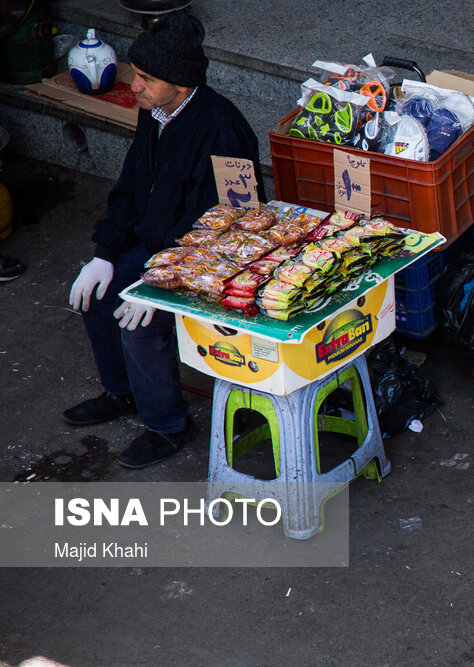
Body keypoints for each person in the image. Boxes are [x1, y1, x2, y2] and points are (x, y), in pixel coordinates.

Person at [63, 9, 262, 469]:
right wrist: (105, 253)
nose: (134, 86)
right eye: (137, 75)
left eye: (146, 79)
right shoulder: (156, 112)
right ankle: (122, 392)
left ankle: (168, 424)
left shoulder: (224, 130)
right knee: (97, 294)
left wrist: (162, 282)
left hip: (205, 262)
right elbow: (130, 186)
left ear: (181, 83)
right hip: (152, 249)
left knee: (140, 325)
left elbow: (233, 223)